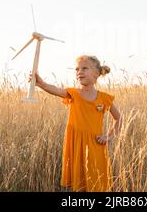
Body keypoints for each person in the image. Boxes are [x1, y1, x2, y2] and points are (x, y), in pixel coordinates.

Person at [29, 55, 122, 192]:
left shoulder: (104, 98)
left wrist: (108, 136)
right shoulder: (74, 94)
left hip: (95, 145)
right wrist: (41, 84)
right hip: (76, 145)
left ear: (96, 73)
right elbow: (56, 90)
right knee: (80, 185)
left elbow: (119, 118)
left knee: (96, 182)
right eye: (77, 69)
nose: (79, 72)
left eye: (84, 68)